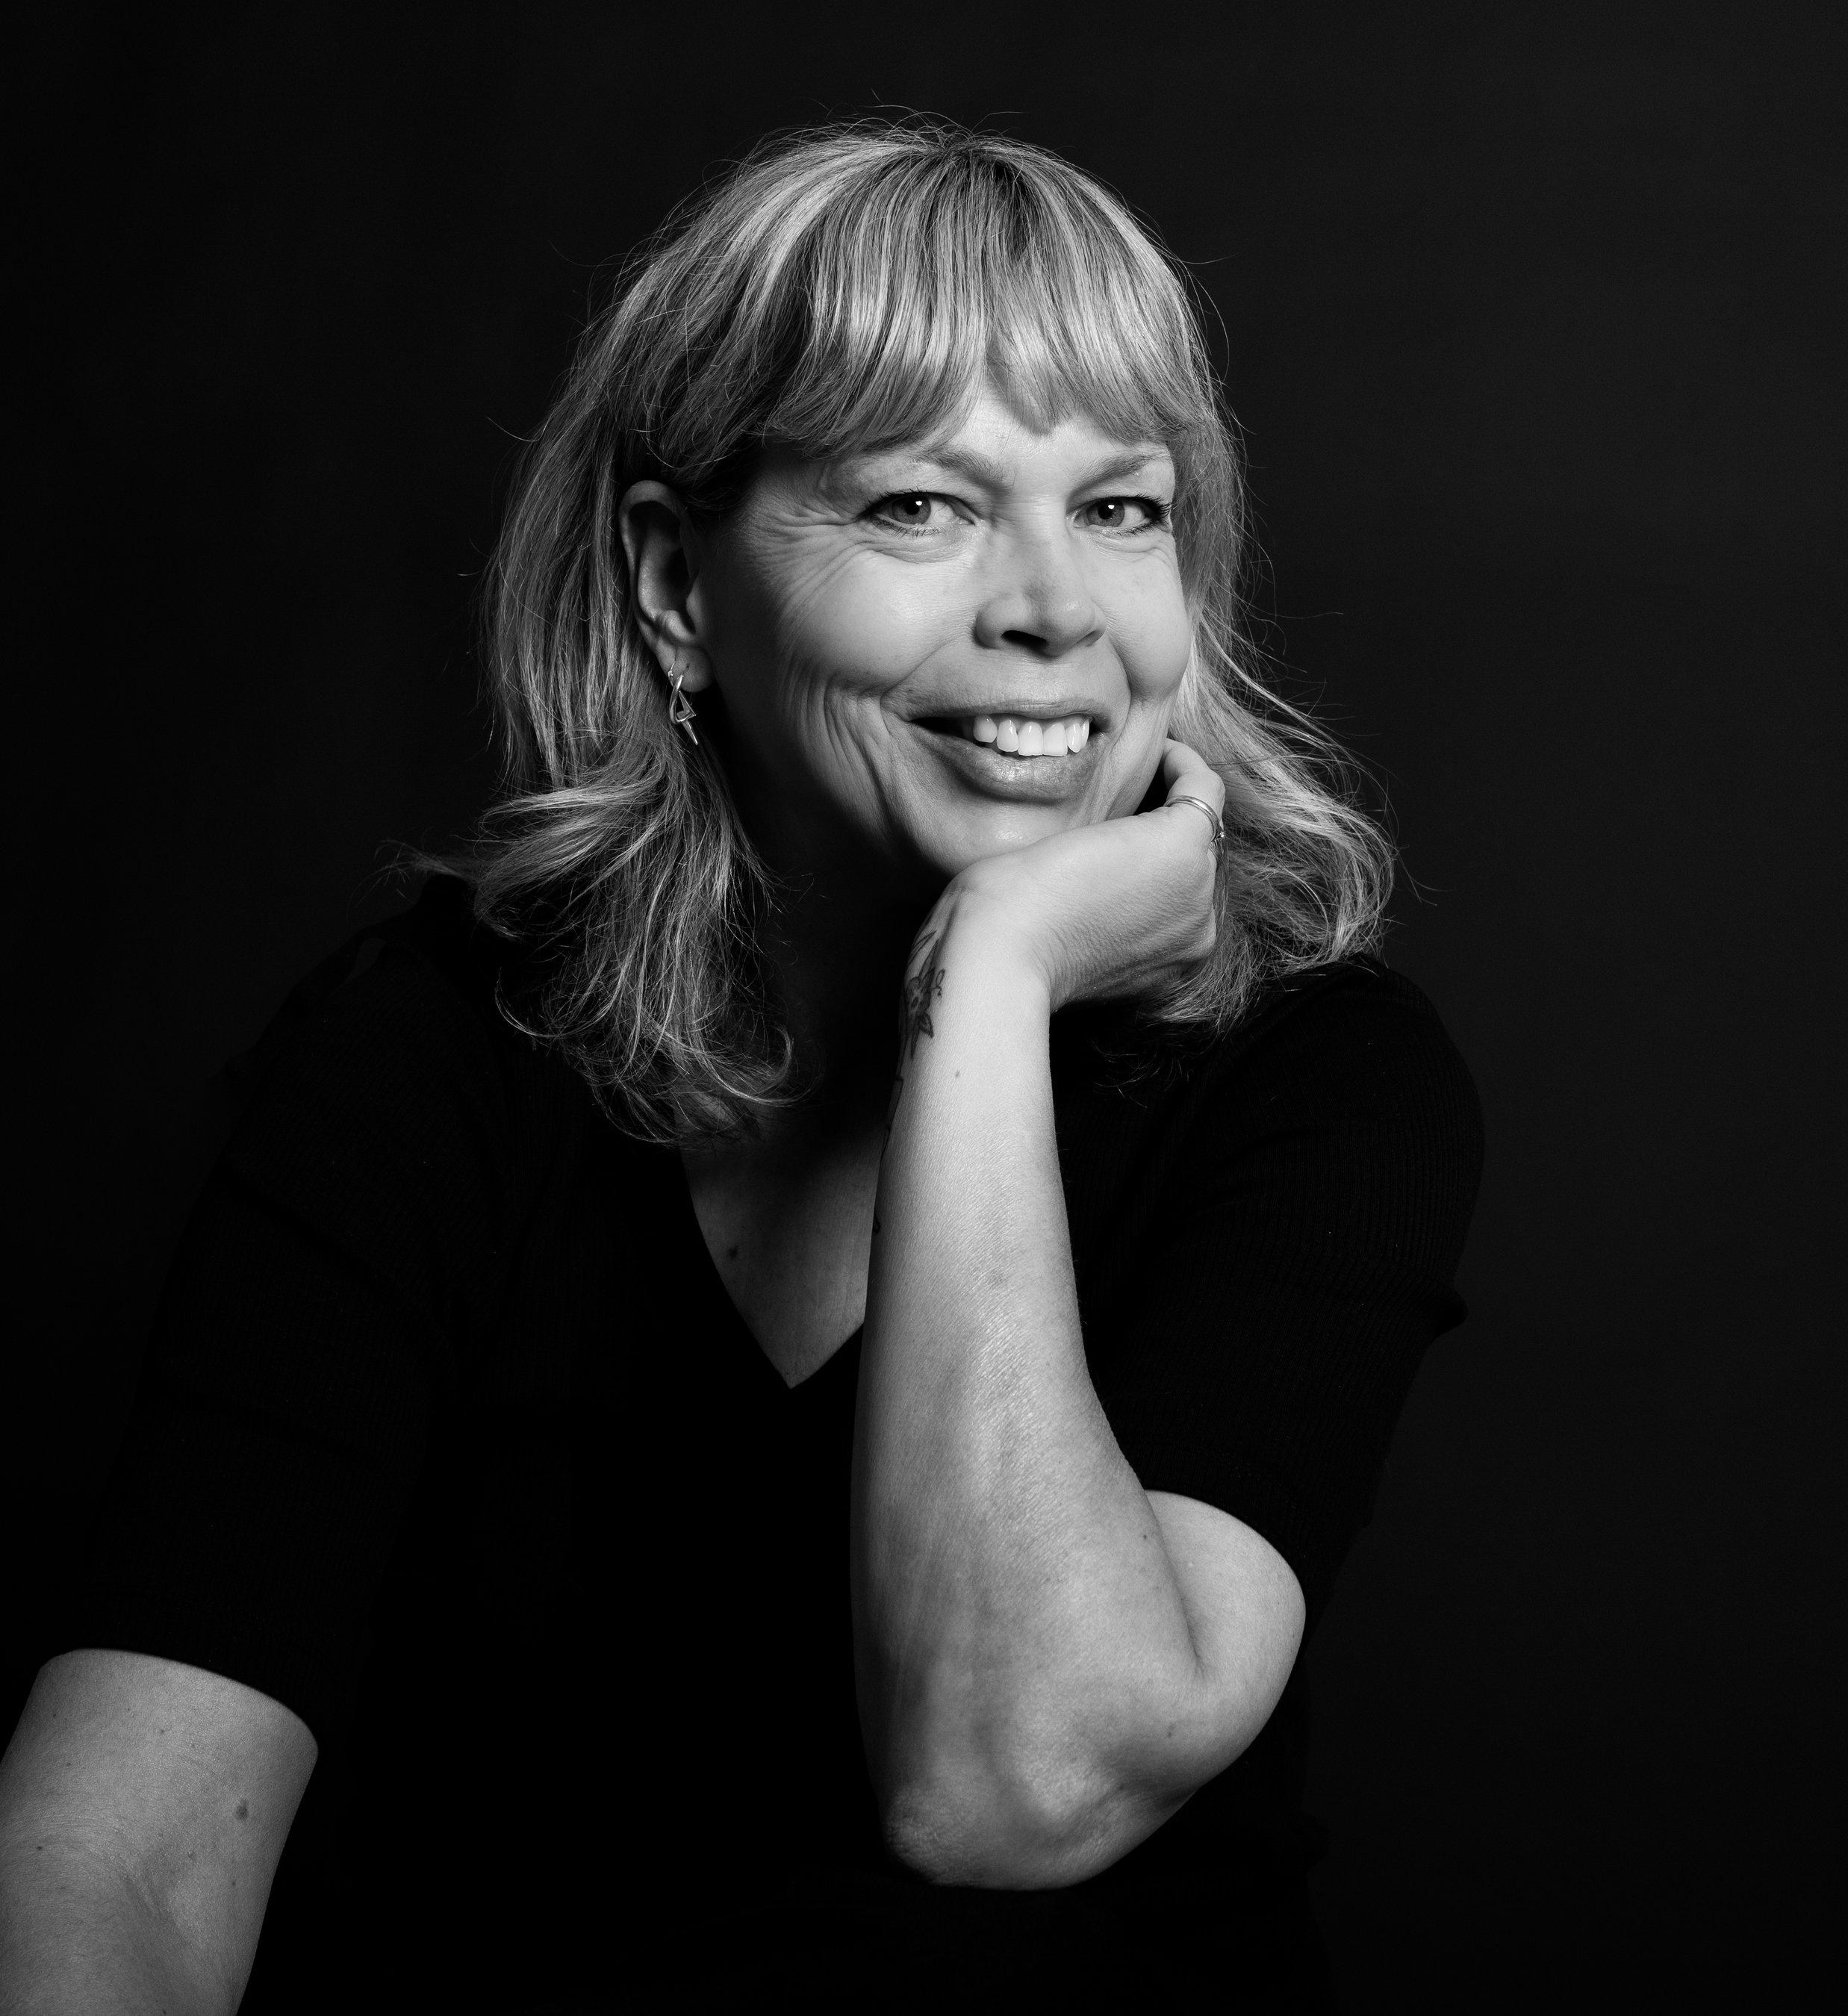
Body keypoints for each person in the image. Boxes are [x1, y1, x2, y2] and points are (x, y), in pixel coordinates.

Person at [0, 122, 1481, 2012]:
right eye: (918, 507)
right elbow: (120, 1853)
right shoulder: (433, 1050)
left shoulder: (1317, 1083)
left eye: (1122, 508)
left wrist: (992, 978)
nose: (1053, 607)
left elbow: (1009, 1784)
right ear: (674, 584)